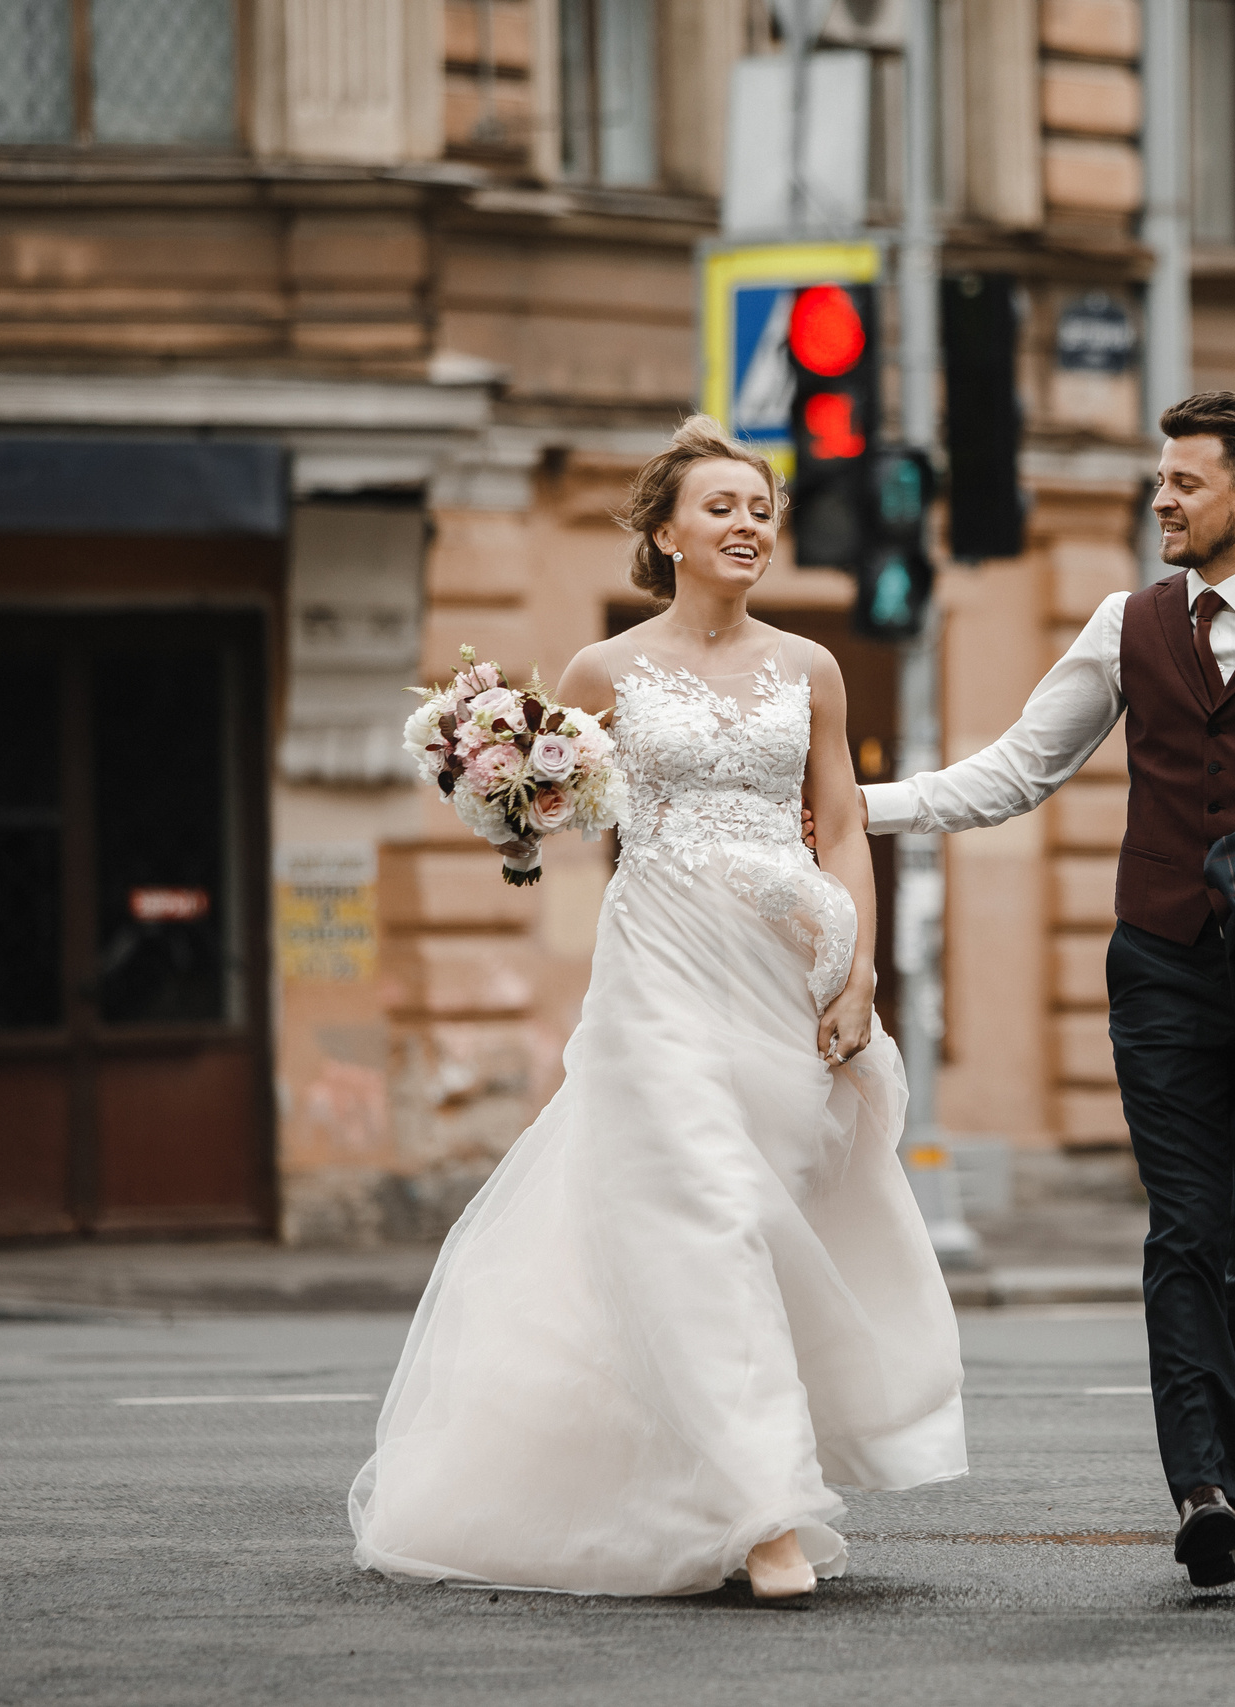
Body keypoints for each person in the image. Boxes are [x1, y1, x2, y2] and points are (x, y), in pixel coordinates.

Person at [348, 415, 967, 1603]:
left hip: (785, 987)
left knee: (749, 1229)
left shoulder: (813, 668)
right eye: (724, 507)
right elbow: (557, 818)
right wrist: (506, 783)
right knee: (707, 1211)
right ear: (665, 533)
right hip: (662, 973)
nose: (750, 525)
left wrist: (859, 976)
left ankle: (693, 1482)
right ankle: (767, 1515)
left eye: (761, 509)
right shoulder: (604, 673)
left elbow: (839, 827)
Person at [860, 391, 1235, 1588]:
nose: (1160, 500)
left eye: (1183, 483)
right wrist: (859, 807)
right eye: (1159, 480)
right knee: (1185, 1225)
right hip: (1163, 965)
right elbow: (1018, 770)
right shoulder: (1125, 625)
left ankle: (1224, 1463)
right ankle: (1201, 1485)